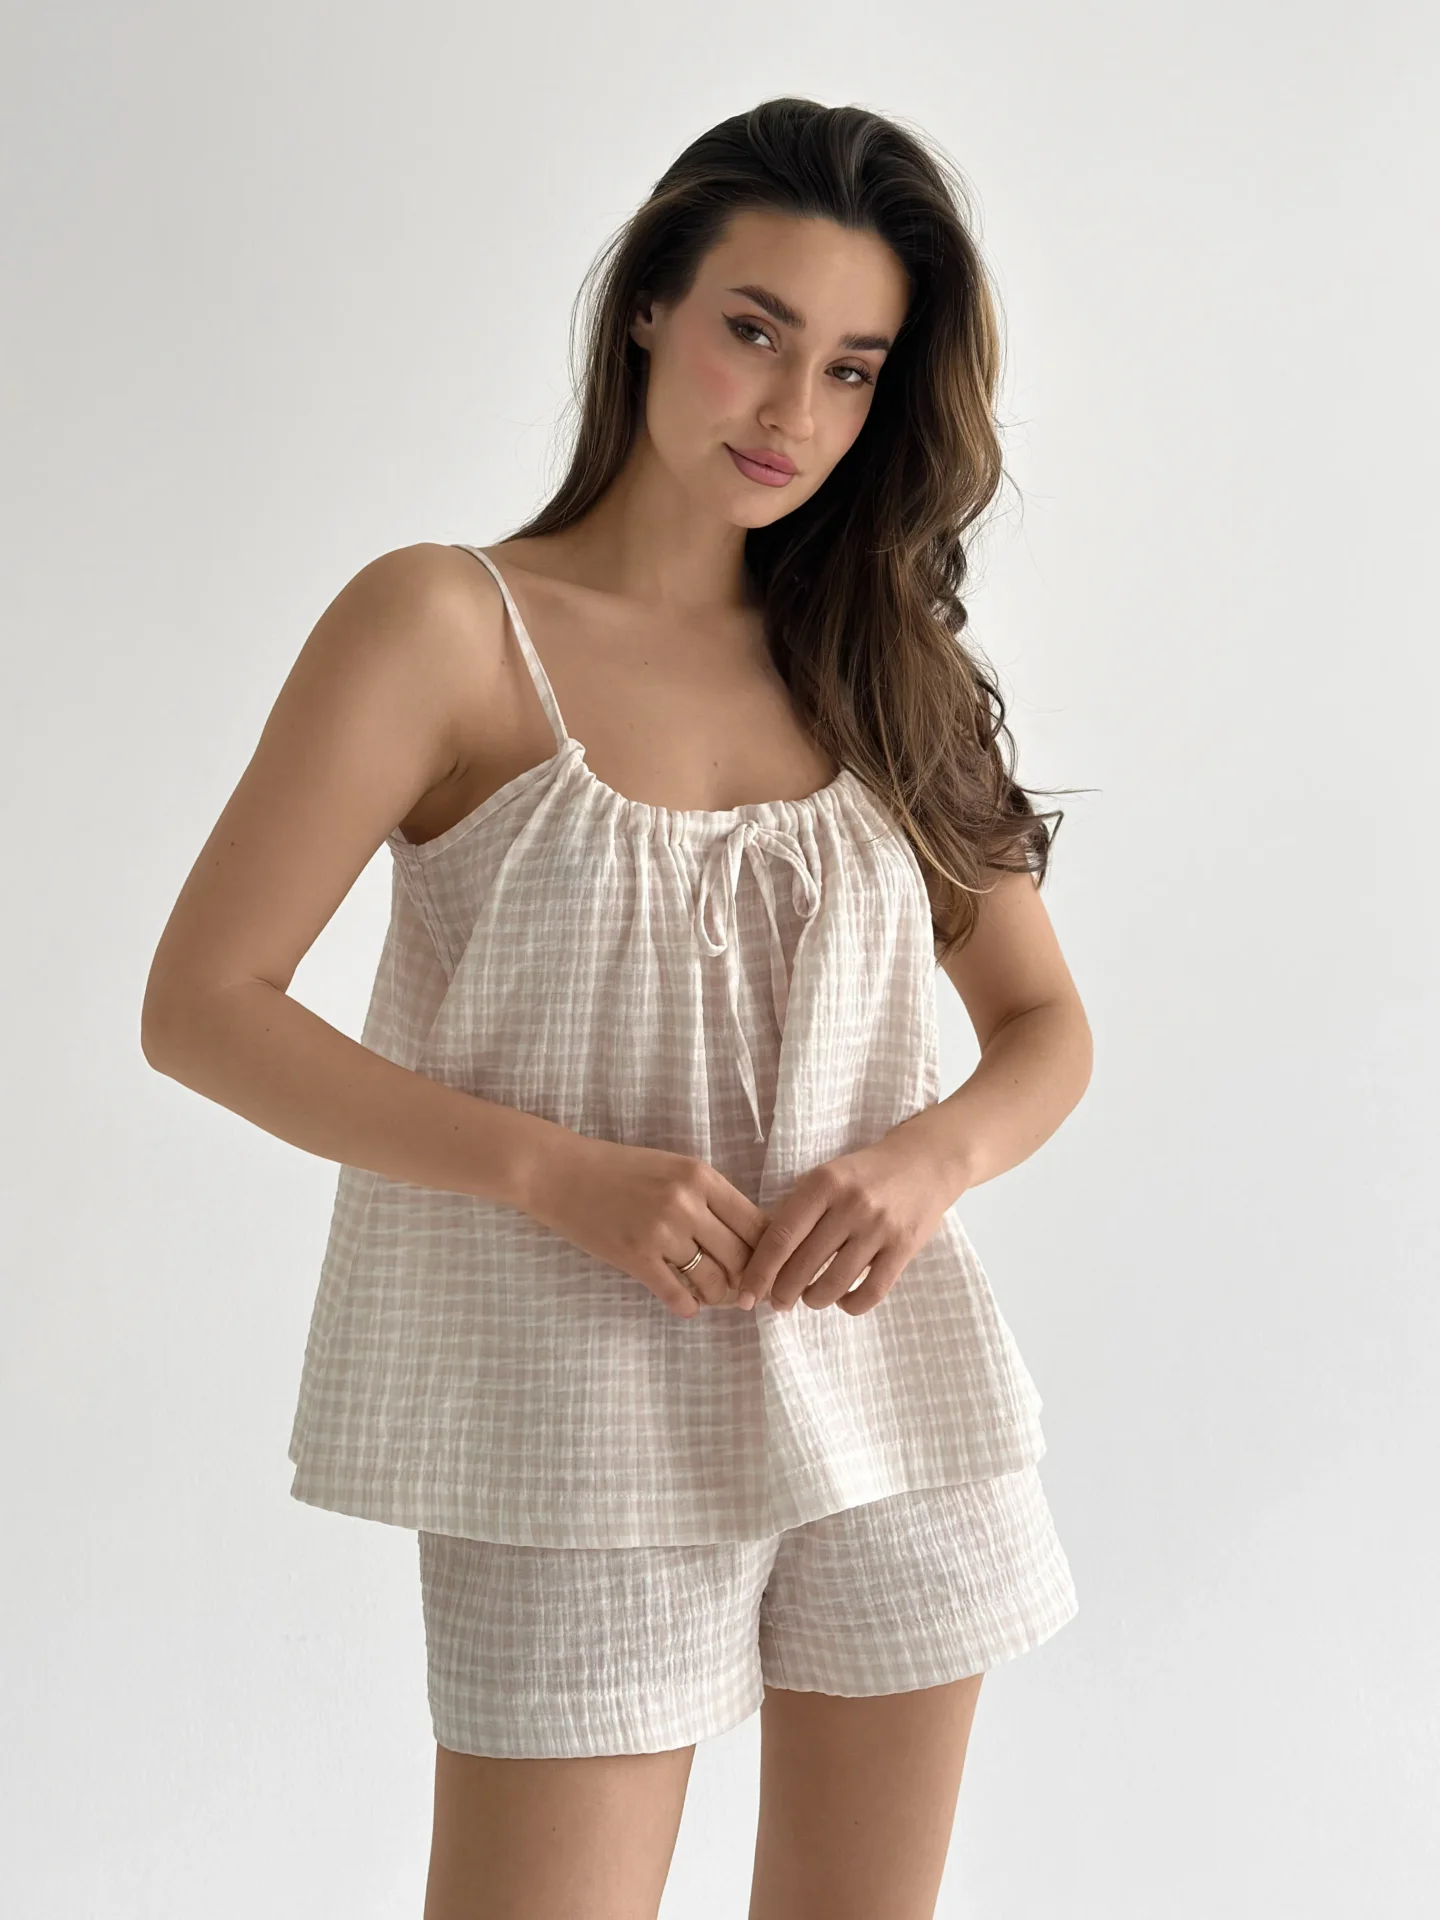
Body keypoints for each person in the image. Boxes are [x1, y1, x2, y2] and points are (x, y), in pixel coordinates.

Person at [142, 95, 1093, 1920]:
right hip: (572, 1422)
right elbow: (203, 1005)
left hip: (891, 1406)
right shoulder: (443, 626)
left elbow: (1045, 1024)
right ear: (650, 302)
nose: (791, 411)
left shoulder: (884, 659)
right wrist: (552, 1175)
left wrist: (924, 1166)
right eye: (755, 329)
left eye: (851, 369)